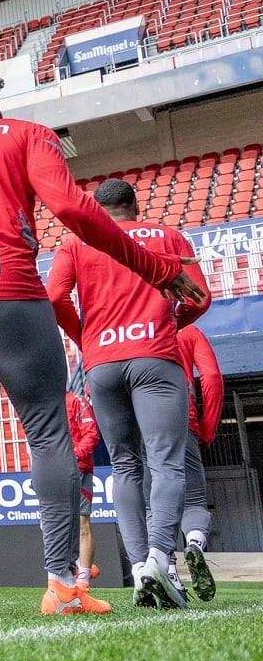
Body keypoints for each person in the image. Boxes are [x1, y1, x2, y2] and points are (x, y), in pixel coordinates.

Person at [0, 52, 205, 617]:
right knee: (49, 431)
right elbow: (74, 210)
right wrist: (155, 268)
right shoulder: (26, 135)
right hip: (9, 290)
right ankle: (61, 584)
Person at [47, 177, 210, 610]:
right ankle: (159, 559)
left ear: (97, 211)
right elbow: (199, 298)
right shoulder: (168, 237)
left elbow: (54, 297)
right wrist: (170, 325)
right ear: (135, 207)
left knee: (124, 466)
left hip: (102, 363)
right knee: (165, 461)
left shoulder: (76, 243)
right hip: (155, 356)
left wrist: (87, 339)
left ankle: (139, 568)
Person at [174, 324, 223, 602]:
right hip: (183, 421)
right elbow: (212, 376)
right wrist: (208, 428)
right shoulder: (189, 331)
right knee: (194, 501)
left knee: (153, 505)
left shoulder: (132, 327)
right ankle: (194, 542)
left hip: (141, 426)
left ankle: (166, 570)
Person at [66, 390, 101, 591]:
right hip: (53, 472)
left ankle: (83, 580)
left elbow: (91, 434)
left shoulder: (76, 401)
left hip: (78, 469)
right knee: (51, 525)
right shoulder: (44, 405)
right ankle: (80, 565)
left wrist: (73, 456)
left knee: (81, 524)